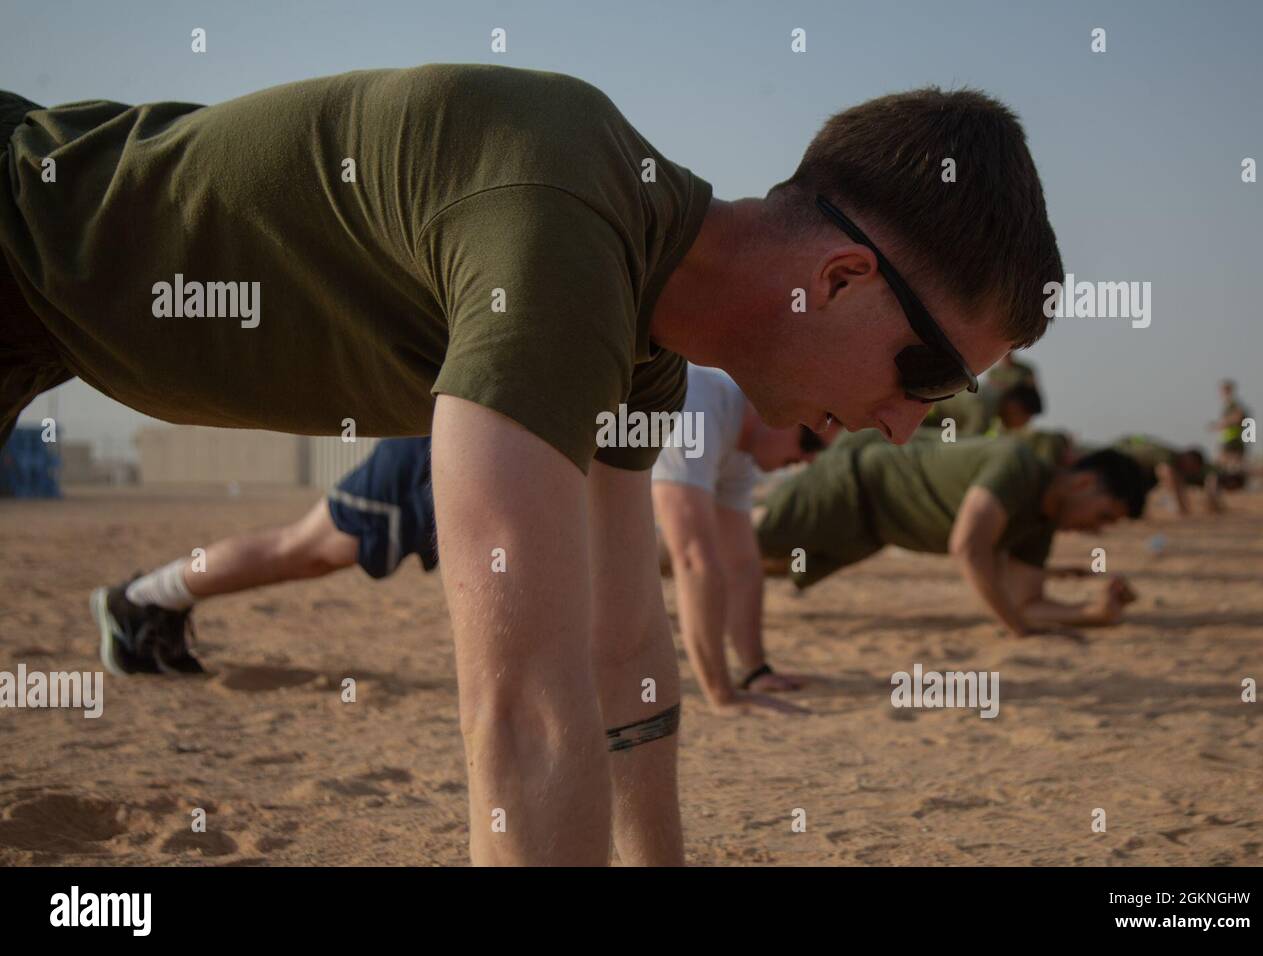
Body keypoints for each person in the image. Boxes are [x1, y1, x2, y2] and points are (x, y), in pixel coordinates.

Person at [1, 69, 1063, 865]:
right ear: (838, 278)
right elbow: (520, 705)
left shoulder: (645, 335)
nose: (897, 429)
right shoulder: (564, 232)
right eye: (925, 381)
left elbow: (623, 647)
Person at [91, 437, 435, 676]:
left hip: (460, 434)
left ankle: (151, 599)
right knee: (305, 549)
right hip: (435, 442)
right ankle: (143, 601)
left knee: (308, 552)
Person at [755, 437, 1149, 635]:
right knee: (735, 545)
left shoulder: (1040, 525)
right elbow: (968, 546)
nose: (1096, 529)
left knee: (767, 568)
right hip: (849, 484)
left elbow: (1025, 604)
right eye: (1103, 515)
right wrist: (1017, 629)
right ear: (1083, 482)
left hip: (872, 531)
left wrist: (1093, 614)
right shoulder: (1018, 466)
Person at [651, 364, 834, 714]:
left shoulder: (741, 443)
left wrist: (755, 672)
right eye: (810, 442)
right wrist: (723, 696)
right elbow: (693, 560)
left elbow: (742, 564)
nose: (810, 460)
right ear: (772, 408)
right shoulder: (698, 409)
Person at [1108, 434, 1221, 515]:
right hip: (1119, 464)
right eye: (1191, 467)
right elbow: (1166, 472)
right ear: (1188, 458)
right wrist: (1181, 508)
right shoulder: (1168, 456)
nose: (1190, 471)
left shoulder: (1175, 464)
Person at [1209, 379, 1251, 476]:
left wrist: (1221, 424)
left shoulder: (1233, 404)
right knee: (1235, 462)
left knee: (1224, 461)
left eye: (1223, 390)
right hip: (1229, 437)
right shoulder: (1228, 405)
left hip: (1233, 437)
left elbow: (1238, 417)